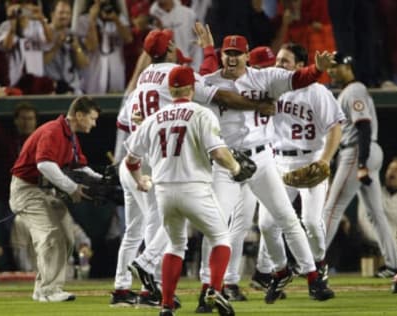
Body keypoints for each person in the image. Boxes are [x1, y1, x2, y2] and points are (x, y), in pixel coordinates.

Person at [110, 28, 275, 307]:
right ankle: (150, 270)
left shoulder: (142, 81)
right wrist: (256, 108)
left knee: (145, 229)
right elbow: (218, 100)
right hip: (174, 166)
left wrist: (136, 175)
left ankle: (137, 289)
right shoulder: (195, 108)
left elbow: (127, 125)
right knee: (189, 230)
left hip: (143, 156)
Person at [197, 34, 336, 310]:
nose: (232, 58)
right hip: (227, 161)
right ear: (222, 55)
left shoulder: (264, 77)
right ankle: (208, 288)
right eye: (228, 53)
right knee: (215, 225)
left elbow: (298, 79)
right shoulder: (210, 81)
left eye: (237, 53)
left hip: (261, 158)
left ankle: (313, 278)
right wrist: (258, 105)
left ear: (248, 55)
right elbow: (225, 97)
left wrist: (317, 70)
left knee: (287, 218)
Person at [123, 65, 246, 316]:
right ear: (192, 87)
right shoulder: (201, 113)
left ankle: (167, 305)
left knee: (175, 245)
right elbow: (219, 153)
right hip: (194, 188)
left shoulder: (154, 118)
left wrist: (140, 181)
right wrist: (235, 168)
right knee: (221, 238)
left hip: (164, 192)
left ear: (170, 88)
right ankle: (214, 289)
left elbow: (131, 160)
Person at [252, 43, 344, 301]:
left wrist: (325, 160)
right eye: (278, 60)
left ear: (301, 66)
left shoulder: (316, 92)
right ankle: (280, 273)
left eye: (285, 61)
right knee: (267, 224)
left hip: (310, 159)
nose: (278, 65)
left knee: (312, 222)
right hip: (278, 162)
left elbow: (335, 128)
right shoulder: (272, 88)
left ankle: (319, 267)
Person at [8, 96, 101, 302]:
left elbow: (79, 166)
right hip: (26, 190)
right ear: (79, 115)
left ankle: (47, 288)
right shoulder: (53, 131)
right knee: (51, 234)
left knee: (67, 236)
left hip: (44, 192)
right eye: (92, 118)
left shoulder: (70, 136)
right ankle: (47, 291)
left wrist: (102, 180)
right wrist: (72, 188)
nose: (94, 123)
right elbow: (44, 165)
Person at [323, 53, 397, 278]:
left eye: (335, 67)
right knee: (375, 212)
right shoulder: (352, 91)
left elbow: (363, 126)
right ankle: (394, 264)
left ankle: (311, 262)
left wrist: (363, 163)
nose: (331, 71)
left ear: (348, 67)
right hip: (366, 150)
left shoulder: (354, 90)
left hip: (358, 150)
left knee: (333, 208)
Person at [358, 157, 397, 252]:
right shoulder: (371, 193)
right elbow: (363, 222)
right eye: (390, 168)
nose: (392, 171)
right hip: (371, 251)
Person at [0, 2, 54, 94]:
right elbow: (6, 47)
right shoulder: (5, 25)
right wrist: (13, 27)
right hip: (14, 80)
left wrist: (42, 20)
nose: (22, 10)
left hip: (36, 78)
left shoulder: (37, 25)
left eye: (25, 6)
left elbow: (50, 42)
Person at [75, 0, 132, 93]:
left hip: (116, 72)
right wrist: (92, 20)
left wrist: (116, 20)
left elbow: (128, 39)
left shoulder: (119, 17)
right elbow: (91, 46)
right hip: (93, 74)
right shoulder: (83, 19)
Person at [44, 0, 89, 94]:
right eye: (61, 13)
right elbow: (41, 62)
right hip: (50, 86)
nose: (64, 16)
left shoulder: (73, 34)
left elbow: (84, 64)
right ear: (52, 14)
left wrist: (76, 48)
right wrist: (56, 46)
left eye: (68, 13)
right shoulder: (44, 33)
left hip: (71, 86)